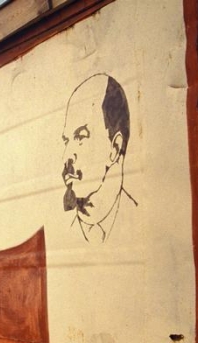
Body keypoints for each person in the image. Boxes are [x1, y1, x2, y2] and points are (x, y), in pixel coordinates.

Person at [61, 73, 137, 243]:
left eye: (80, 137)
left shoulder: (141, 223)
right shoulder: (59, 234)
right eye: (66, 141)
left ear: (115, 148)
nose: (66, 158)